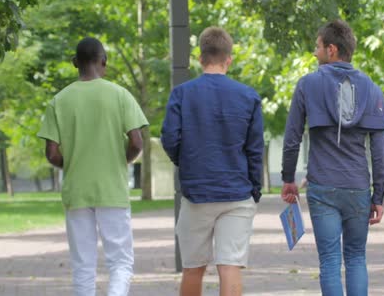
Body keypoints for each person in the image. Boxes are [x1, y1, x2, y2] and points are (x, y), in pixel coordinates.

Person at [281, 19, 384, 296]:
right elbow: (381, 150)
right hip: (357, 187)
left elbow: (292, 136)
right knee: (356, 258)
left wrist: (288, 178)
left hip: (322, 187)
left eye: (318, 47)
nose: (315, 53)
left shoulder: (308, 84)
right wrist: (378, 195)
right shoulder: (373, 89)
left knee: (330, 260)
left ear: (331, 49)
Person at [38, 37, 148, 296]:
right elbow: (136, 142)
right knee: (120, 262)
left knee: (82, 265)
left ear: (75, 62)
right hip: (112, 190)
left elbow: (52, 154)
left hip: (77, 191)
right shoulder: (120, 95)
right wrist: (121, 160)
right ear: (104, 63)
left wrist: (74, 161)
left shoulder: (59, 101)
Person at [161, 27, 263, 296]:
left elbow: (170, 138)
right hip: (236, 192)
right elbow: (255, 149)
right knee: (230, 266)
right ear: (228, 59)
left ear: (200, 57)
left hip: (197, 192)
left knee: (193, 267)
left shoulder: (182, 94)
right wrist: (255, 189)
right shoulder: (248, 96)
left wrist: (186, 163)